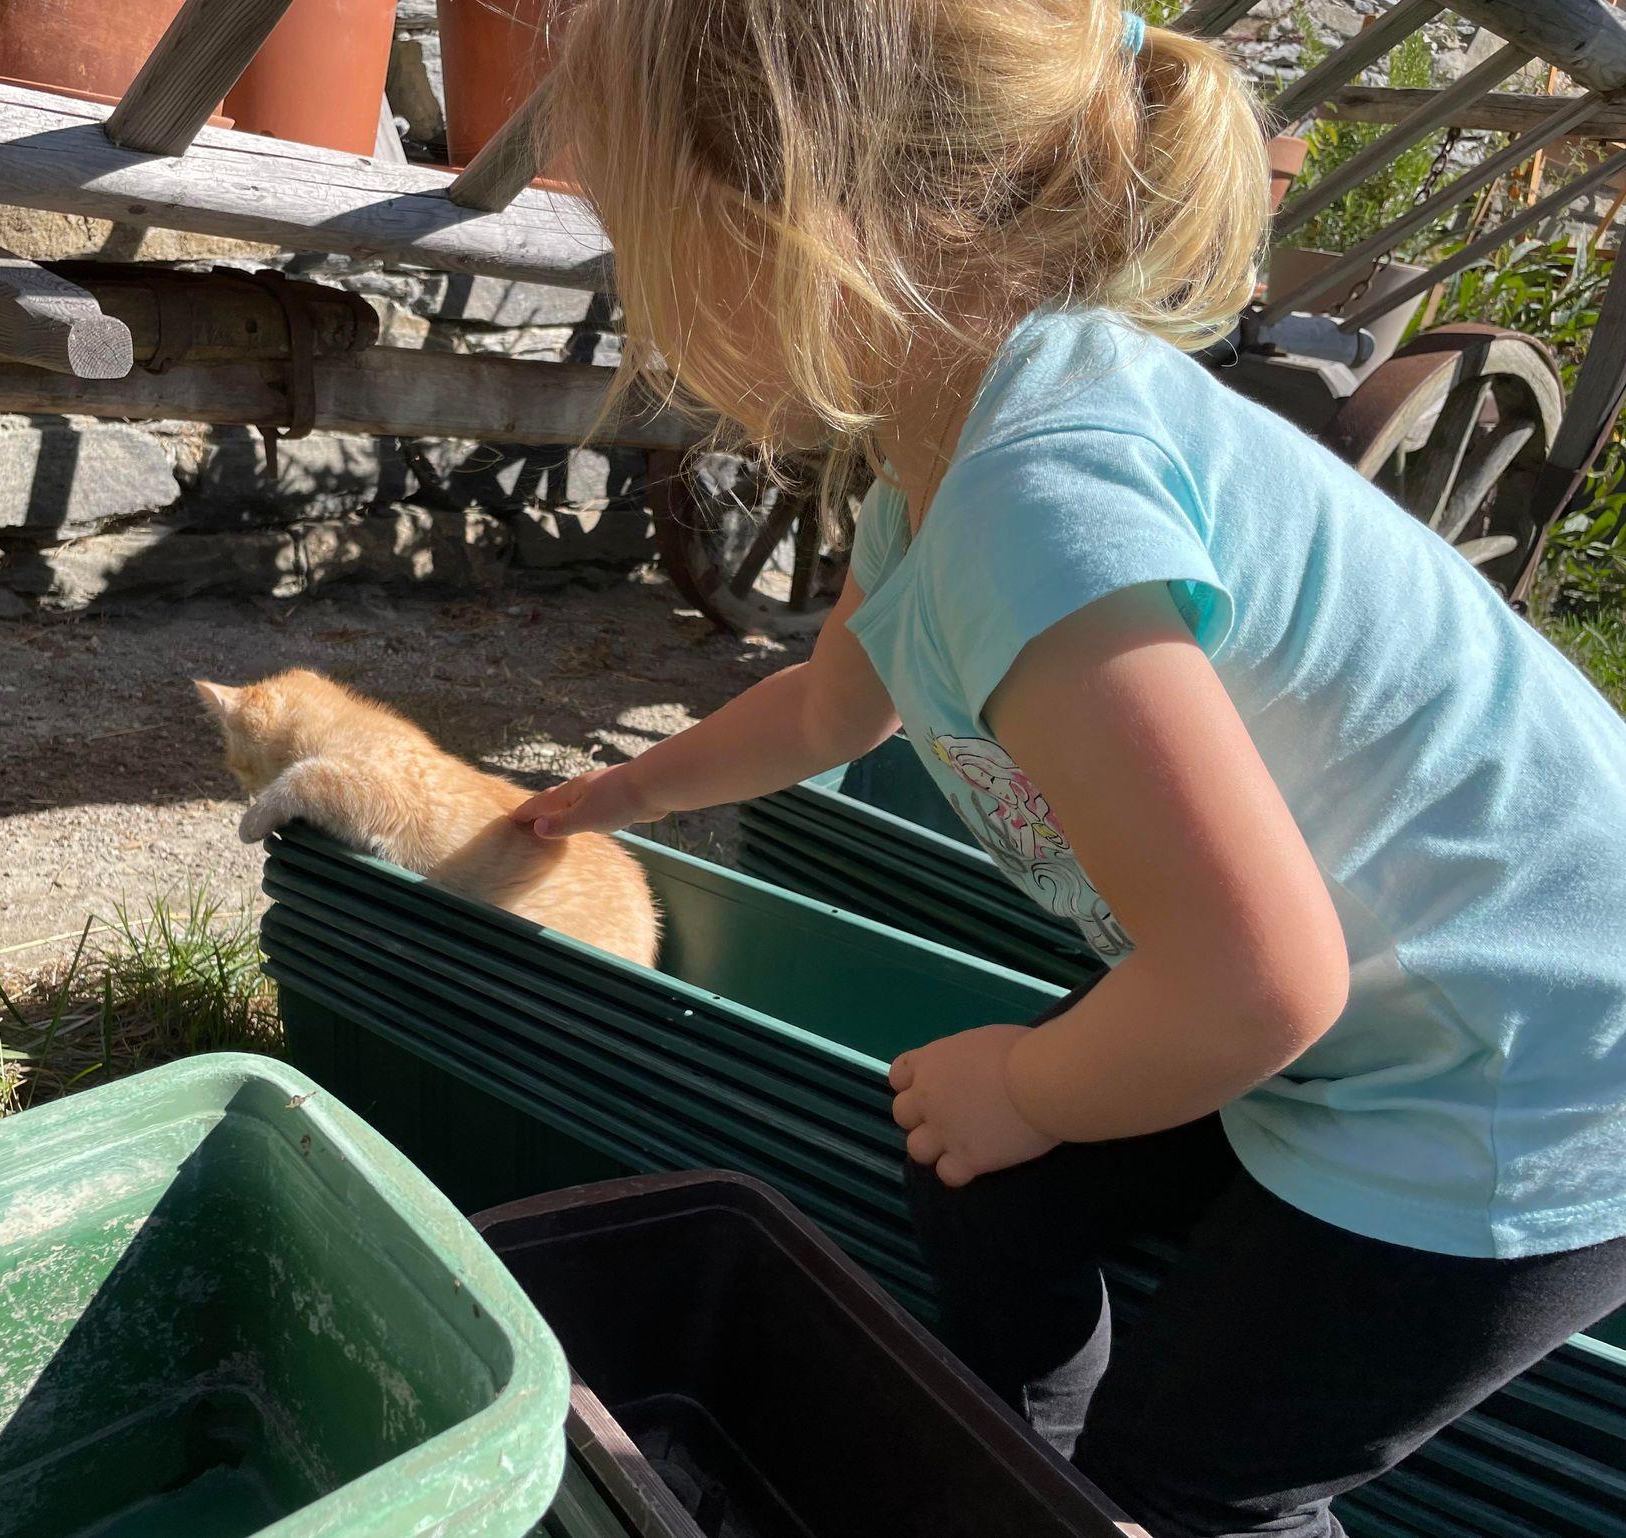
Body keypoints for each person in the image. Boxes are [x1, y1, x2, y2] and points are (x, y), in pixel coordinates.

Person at [509, 3, 1626, 1534]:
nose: (628, 267)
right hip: (1372, 994)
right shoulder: (957, 445)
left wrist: (1032, 1083)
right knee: (978, 1158)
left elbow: (1260, 980)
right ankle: (1026, 1471)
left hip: (1523, 1070)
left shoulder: (1036, 506)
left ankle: (1104, 1496)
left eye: (631, 217)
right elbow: (833, 707)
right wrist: (621, 795)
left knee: (1196, 1484)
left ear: (783, 219)